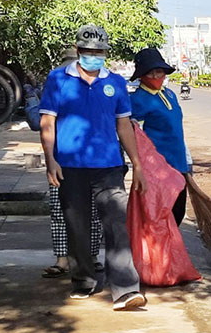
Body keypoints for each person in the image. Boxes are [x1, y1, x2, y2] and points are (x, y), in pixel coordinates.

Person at [38, 24, 147, 311]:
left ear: (105, 53)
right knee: (77, 227)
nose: (93, 56)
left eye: (99, 52)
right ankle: (83, 280)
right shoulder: (58, 79)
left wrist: (136, 163)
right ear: (78, 51)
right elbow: (47, 122)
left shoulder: (117, 84)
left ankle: (125, 289)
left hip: (109, 166)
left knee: (117, 225)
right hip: (69, 166)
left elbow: (123, 125)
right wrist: (50, 160)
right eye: (88, 52)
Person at [27, 47, 105, 277]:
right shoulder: (57, 85)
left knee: (93, 212)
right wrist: (51, 159)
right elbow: (39, 122)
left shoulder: (99, 87)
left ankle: (91, 257)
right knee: (60, 212)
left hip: (96, 161)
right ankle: (62, 259)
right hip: (63, 161)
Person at [129, 47, 191, 225]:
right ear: (141, 75)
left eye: (159, 72)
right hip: (158, 169)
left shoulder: (169, 94)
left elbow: (177, 130)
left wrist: (187, 160)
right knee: (162, 216)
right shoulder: (136, 100)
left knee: (178, 212)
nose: (156, 76)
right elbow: (130, 132)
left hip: (179, 164)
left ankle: (172, 250)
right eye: (151, 73)